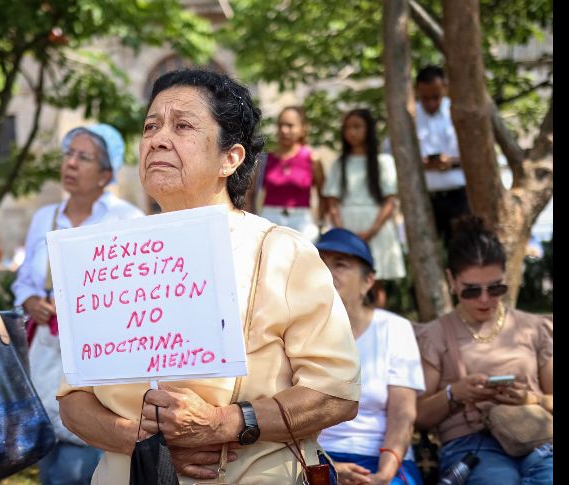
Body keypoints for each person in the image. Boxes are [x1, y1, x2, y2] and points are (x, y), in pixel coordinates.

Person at [56, 69, 362, 484]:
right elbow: (74, 400)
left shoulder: (282, 252)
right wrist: (142, 444)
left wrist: (224, 423)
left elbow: (335, 395)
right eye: (151, 126)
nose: (158, 139)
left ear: (230, 158)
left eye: (182, 125)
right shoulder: (104, 255)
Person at [12, 123, 144, 485]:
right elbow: (25, 279)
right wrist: (31, 300)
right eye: (68, 154)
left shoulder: (126, 219)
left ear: (106, 174)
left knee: (83, 455)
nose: (70, 163)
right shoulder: (45, 217)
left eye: (83, 158)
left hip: (97, 353)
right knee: (51, 450)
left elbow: (137, 290)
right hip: (48, 350)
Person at [415, 216, 553, 484]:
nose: (485, 299)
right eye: (471, 291)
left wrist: (531, 400)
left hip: (534, 436)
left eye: (496, 288)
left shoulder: (533, 328)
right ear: (451, 281)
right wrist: (454, 393)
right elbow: (417, 416)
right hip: (471, 445)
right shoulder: (435, 335)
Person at [316, 228, 424, 485]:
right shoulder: (293, 329)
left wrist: (382, 476)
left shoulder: (393, 329)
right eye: (320, 263)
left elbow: (403, 415)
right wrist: (329, 468)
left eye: (340, 265)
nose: (327, 272)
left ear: (368, 281)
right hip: (314, 459)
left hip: (382, 459)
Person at [324, 108, 406, 307]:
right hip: (347, 225)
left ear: (368, 130)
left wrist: (372, 230)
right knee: (345, 280)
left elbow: (390, 200)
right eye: (348, 128)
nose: (352, 132)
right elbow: (332, 202)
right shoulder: (339, 163)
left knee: (375, 282)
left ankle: (377, 321)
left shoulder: (383, 162)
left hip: (376, 227)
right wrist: (343, 233)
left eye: (357, 127)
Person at [247, 106, 325, 242]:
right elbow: (250, 194)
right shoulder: (264, 159)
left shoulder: (312, 159)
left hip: (302, 221)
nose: (284, 130)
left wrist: (320, 222)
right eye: (281, 125)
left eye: (290, 126)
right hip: (270, 219)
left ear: (302, 128)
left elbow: (323, 194)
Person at [414, 65, 469, 245]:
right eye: (425, 98)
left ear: (444, 88)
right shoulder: (409, 116)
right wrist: (422, 164)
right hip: (425, 198)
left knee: (461, 247)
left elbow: (474, 155)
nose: (431, 103)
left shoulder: (458, 111)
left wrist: (450, 162)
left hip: (458, 196)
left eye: (435, 97)